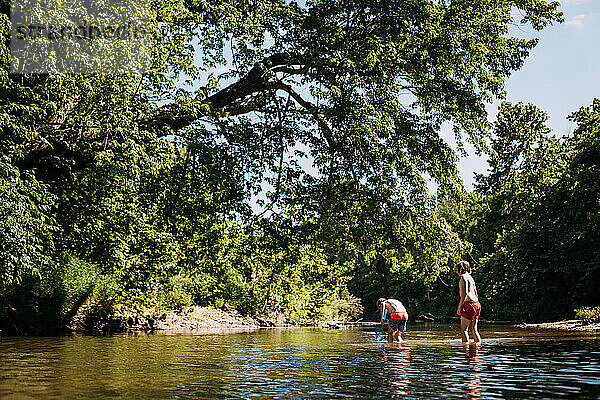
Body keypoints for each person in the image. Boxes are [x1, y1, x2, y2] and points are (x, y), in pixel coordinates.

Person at [455, 260, 482, 344]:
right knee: (474, 329)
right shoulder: (471, 278)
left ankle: (466, 351)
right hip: (476, 304)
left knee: (464, 330)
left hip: (469, 305)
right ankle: (477, 349)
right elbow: (476, 293)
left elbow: (464, 294)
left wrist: (459, 308)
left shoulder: (463, 278)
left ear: (460, 269)